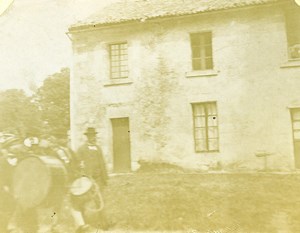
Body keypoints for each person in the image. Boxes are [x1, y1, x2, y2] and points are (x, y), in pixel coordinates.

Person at [74, 127, 110, 231]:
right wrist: (81, 175)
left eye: (94, 135)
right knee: (83, 201)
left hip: (98, 179)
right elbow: (77, 163)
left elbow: (102, 163)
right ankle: (83, 224)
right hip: (87, 180)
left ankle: (104, 224)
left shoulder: (98, 148)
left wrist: (105, 178)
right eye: (90, 136)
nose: (92, 137)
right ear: (87, 137)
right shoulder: (82, 149)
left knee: (100, 201)